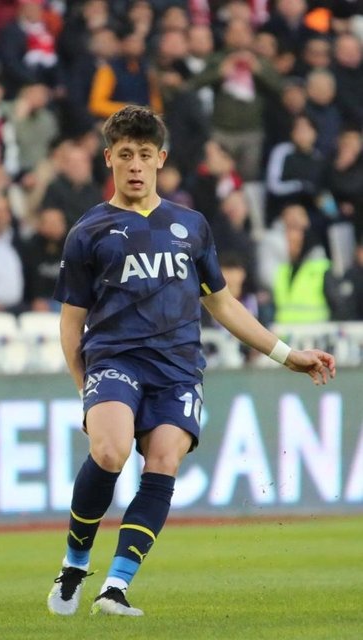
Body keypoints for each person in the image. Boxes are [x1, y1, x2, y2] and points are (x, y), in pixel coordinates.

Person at [47, 105, 335, 618]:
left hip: (178, 369)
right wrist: (82, 388)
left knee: (163, 462)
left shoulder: (191, 226)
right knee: (110, 452)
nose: (135, 165)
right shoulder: (88, 232)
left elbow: (222, 304)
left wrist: (287, 355)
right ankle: (75, 562)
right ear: (109, 159)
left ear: (161, 159)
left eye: (145, 154)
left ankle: (115, 588)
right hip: (114, 359)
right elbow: (72, 322)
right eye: (125, 155)